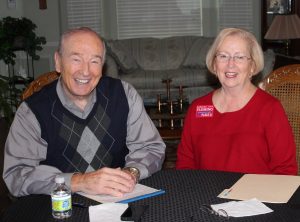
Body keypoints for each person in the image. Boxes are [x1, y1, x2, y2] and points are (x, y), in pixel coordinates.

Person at [3, 27, 166, 197]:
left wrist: (131, 173)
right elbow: (16, 174)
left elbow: (151, 147)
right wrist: (79, 181)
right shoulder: (32, 111)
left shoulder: (124, 95)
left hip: (118, 199)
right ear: (58, 62)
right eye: (76, 59)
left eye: (94, 61)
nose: (85, 71)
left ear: (102, 66)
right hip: (59, 206)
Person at [176, 28, 297, 175]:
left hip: (256, 195)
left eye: (239, 57)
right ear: (214, 65)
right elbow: (185, 164)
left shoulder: (270, 108)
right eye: (223, 56)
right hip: (206, 194)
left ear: (252, 66)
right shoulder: (198, 108)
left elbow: (285, 171)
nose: (230, 64)